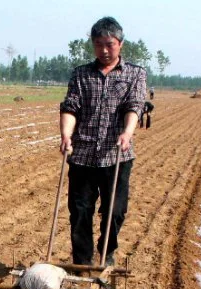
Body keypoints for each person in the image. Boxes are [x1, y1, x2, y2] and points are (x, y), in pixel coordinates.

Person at [59, 16, 147, 267]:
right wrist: (66, 135)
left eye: (109, 44)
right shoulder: (81, 74)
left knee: (115, 212)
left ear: (120, 44)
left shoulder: (135, 74)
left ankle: (106, 253)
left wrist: (127, 133)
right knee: (80, 212)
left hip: (116, 155)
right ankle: (82, 263)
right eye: (98, 44)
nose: (104, 50)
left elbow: (135, 106)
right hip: (83, 155)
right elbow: (70, 107)